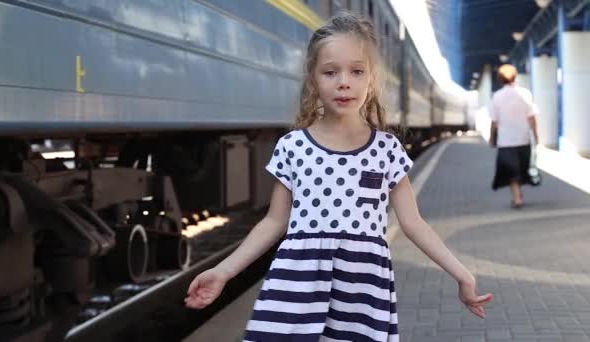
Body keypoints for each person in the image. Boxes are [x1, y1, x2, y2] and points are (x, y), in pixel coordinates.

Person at [185, 13, 493, 341]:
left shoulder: (386, 150)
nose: (343, 81)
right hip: (295, 288)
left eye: (356, 71)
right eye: (330, 72)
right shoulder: (293, 146)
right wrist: (224, 271)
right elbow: (274, 222)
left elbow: (413, 223)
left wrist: (462, 275)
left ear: (371, 80)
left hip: (362, 294)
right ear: (313, 80)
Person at [489, 64, 539, 208]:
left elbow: (494, 121)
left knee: (511, 171)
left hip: (505, 140)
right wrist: (536, 136)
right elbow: (532, 118)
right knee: (521, 169)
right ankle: (518, 195)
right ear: (515, 77)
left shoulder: (497, 96)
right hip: (523, 139)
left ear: (499, 79)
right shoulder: (525, 94)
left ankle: (517, 197)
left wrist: (492, 138)